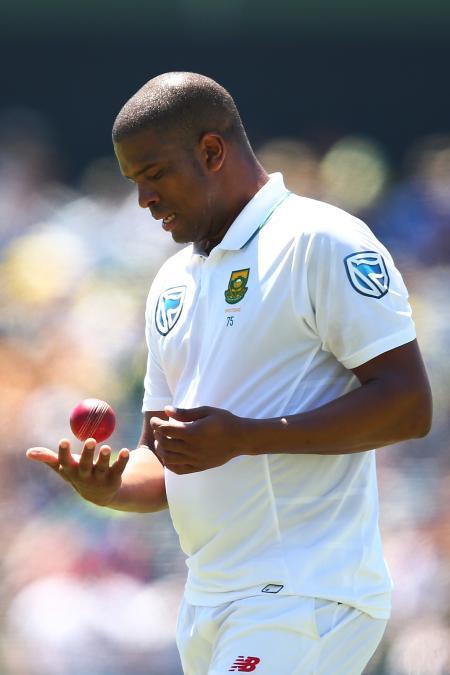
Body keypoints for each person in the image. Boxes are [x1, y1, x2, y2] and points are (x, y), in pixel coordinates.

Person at [27, 72, 432, 674]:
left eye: (155, 174)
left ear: (212, 151)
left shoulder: (321, 240)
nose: (144, 201)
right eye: (134, 183)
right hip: (210, 601)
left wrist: (246, 436)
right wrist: (109, 487)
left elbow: (409, 405)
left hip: (305, 592)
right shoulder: (171, 282)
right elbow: (164, 462)